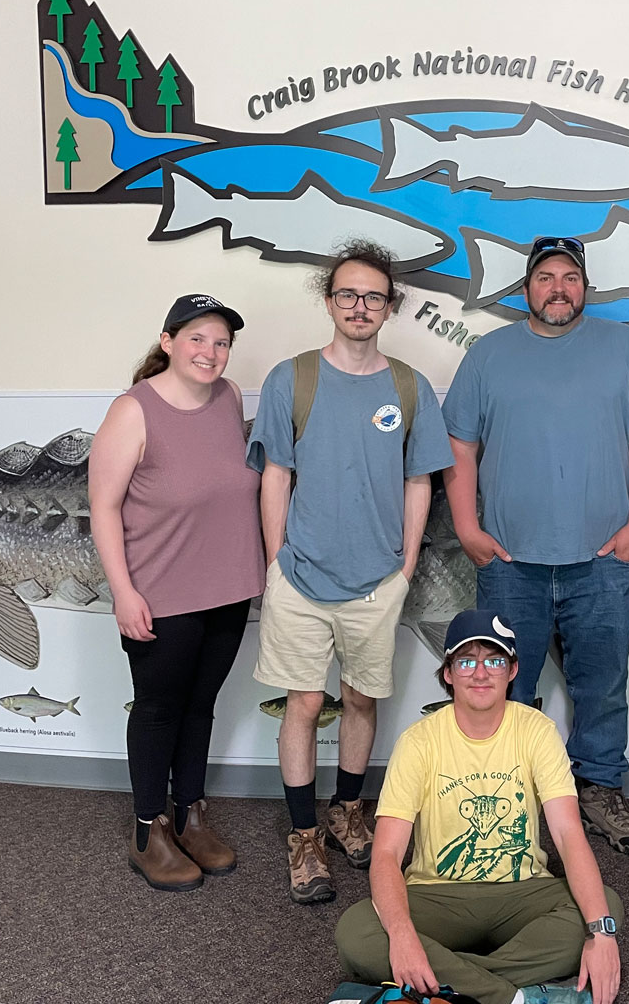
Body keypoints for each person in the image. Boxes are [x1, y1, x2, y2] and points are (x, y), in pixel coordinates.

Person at [442, 236, 629, 856]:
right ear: (527, 289)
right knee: (501, 685)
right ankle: (504, 793)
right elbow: (459, 446)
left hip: (601, 560)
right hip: (509, 562)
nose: (558, 288)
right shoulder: (488, 355)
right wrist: (466, 528)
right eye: (546, 277)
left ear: (584, 287)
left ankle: (598, 789)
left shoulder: (623, 347)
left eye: (570, 277)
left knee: (602, 685)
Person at [246, 241, 453, 904]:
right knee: (305, 704)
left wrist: (406, 565)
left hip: (377, 580)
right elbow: (275, 474)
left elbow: (420, 481)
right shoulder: (291, 379)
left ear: (389, 307)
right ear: (329, 301)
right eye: (347, 294)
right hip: (301, 576)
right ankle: (304, 836)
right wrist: (277, 561)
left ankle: (346, 812)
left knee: (362, 699)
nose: (360, 306)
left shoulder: (409, 388)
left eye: (373, 297)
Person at [336, 610, 624, 1004]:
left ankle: (448, 982)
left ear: (512, 670)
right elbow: (386, 853)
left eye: (495, 661)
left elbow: (568, 833)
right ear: (449, 672)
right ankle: (516, 998)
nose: (481, 673)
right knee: (357, 931)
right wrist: (402, 935)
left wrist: (601, 932)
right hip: (438, 895)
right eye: (467, 661)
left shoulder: (537, 730)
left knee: (606, 908)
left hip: (522, 891)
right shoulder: (418, 741)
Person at [89, 293, 265, 892]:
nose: (209, 352)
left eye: (221, 342)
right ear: (167, 342)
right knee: (159, 709)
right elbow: (103, 509)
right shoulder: (132, 411)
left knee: (200, 705)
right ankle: (149, 831)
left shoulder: (229, 396)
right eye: (196, 339)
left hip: (229, 588)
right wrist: (123, 592)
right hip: (160, 592)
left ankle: (190, 814)